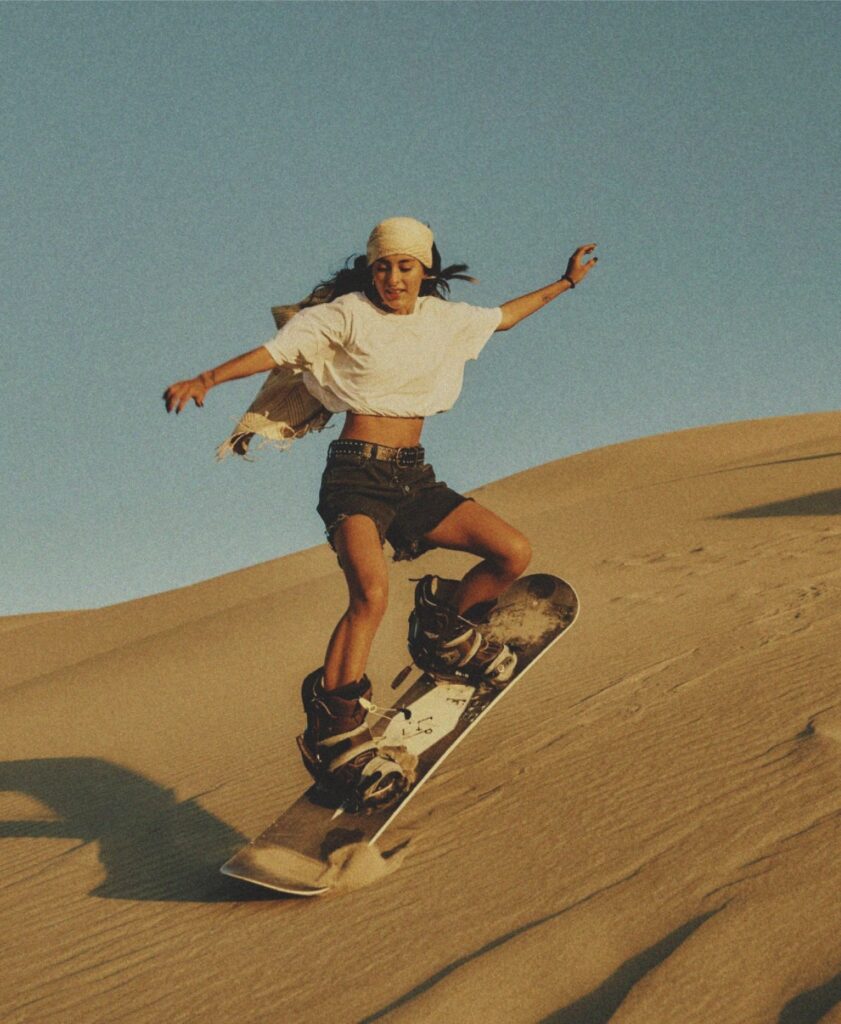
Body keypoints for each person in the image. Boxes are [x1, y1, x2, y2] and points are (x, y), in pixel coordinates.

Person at [164, 217, 598, 810]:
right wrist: (207, 379)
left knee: (512, 552)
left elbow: (505, 316)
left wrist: (565, 283)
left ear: (426, 270)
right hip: (354, 477)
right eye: (383, 266)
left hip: (413, 478)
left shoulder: (447, 321)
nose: (394, 277)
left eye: (406, 266)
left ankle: (445, 629)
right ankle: (334, 725)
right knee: (370, 594)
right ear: (371, 270)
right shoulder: (345, 315)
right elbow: (277, 350)